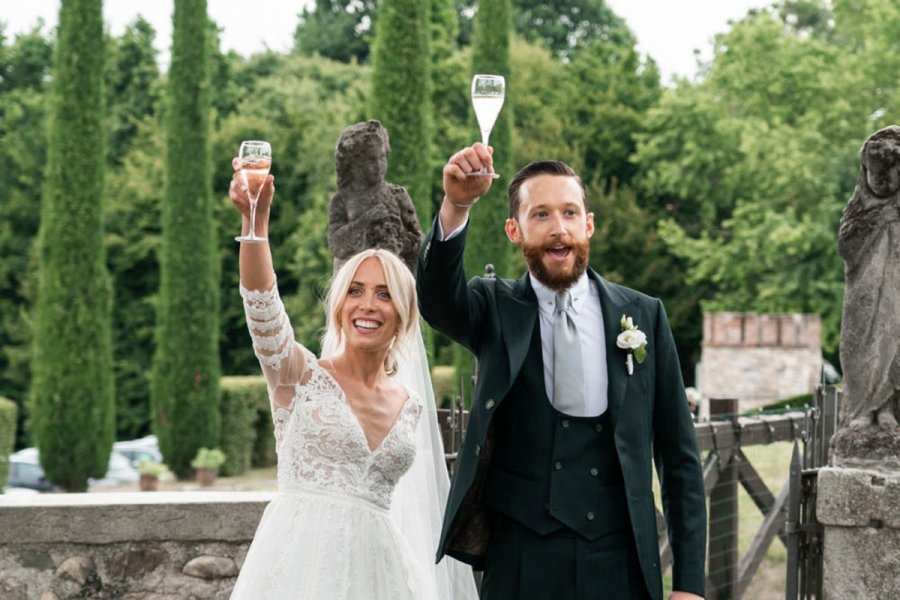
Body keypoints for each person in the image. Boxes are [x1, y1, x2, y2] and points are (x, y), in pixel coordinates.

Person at [417, 143, 707, 600]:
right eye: (542, 216)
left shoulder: (644, 316)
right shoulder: (494, 308)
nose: (559, 230)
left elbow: (679, 457)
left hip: (620, 563)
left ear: (588, 224)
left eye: (570, 213)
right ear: (515, 230)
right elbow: (435, 300)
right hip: (520, 564)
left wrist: (690, 585)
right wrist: (457, 205)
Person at [228, 159, 477, 599]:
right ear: (341, 306)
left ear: (402, 315)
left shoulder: (409, 404)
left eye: (384, 295)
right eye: (356, 291)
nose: (368, 305)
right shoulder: (298, 376)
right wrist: (255, 222)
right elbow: (261, 306)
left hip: (380, 575)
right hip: (298, 570)